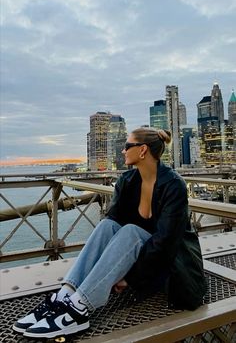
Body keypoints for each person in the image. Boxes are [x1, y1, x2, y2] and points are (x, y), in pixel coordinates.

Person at [13, 127, 206, 339]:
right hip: (146, 264)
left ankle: (80, 307)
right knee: (107, 225)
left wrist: (129, 278)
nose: (122, 151)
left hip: (174, 268)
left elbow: (166, 244)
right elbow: (113, 224)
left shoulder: (173, 185)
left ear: (142, 150)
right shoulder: (127, 181)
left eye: (126, 146)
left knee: (132, 231)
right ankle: (65, 294)